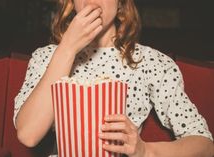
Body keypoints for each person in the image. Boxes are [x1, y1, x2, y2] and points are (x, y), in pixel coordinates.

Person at [13, 0, 214, 156]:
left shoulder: (151, 63)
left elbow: (205, 145)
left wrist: (145, 151)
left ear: (121, 4)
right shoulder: (46, 57)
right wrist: (67, 49)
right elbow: (28, 135)